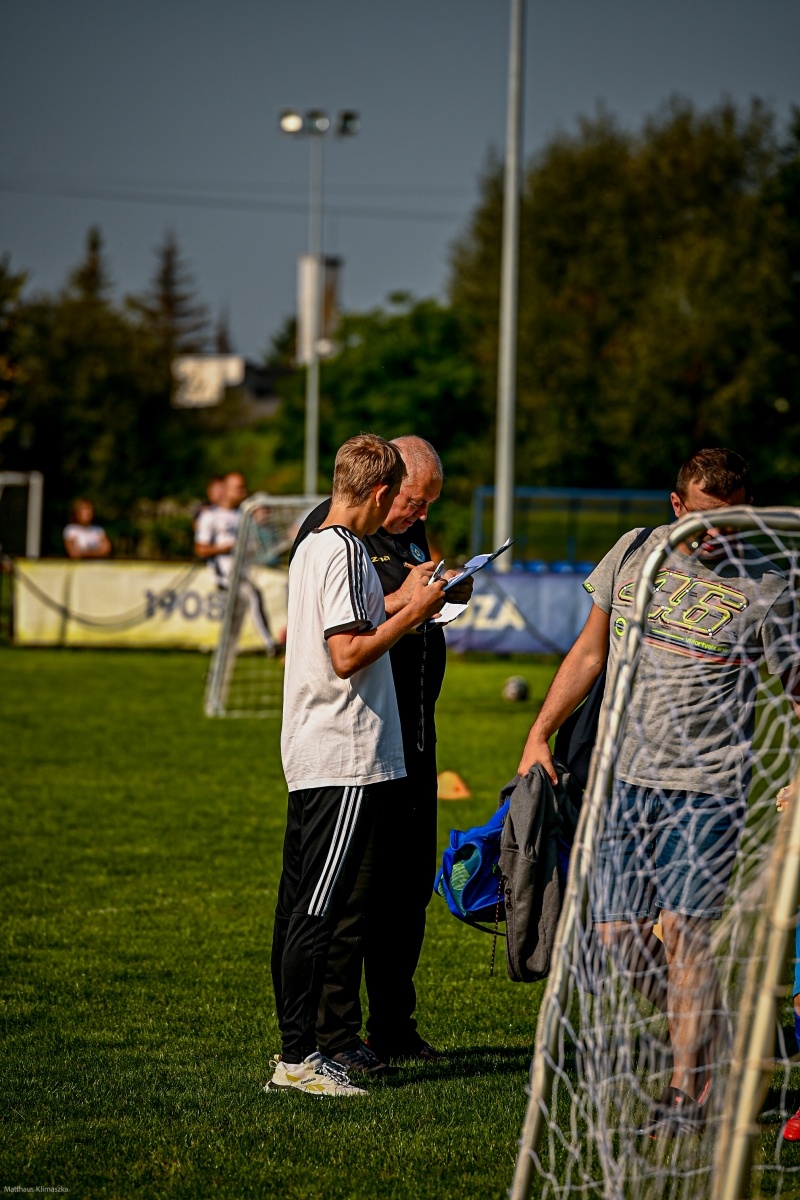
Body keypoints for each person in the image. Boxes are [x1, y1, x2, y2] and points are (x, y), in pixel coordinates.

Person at [518, 448, 800, 1137]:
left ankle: (688, 1092)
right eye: (703, 520)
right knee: (617, 937)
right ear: (676, 507)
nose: (714, 537)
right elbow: (591, 651)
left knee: (685, 935)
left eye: (731, 522)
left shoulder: (769, 585)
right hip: (620, 779)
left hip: (709, 787)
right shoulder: (636, 551)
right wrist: (540, 733)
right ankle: (720, 1040)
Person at [266, 434, 447, 1098]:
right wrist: (417, 613)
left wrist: (412, 597)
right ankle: (301, 1058)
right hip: (343, 753)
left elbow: (360, 621)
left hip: (319, 750)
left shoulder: (316, 545)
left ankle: (304, 1052)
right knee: (320, 912)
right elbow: (347, 655)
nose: (408, 514)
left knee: (300, 909)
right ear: (377, 493)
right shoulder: (343, 548)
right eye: (401, 499)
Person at [194, 471, 276, 653]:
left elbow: (251, 545)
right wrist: (227, 548)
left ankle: (217, 674)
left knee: (232, 630)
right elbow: (200, 549)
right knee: (253, 595)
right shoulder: (210, 516)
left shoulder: (243, 515)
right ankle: (269, 643)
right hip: (225, 576)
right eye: (239, 488)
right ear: (226, 489)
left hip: (242, 572)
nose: (243, 492)